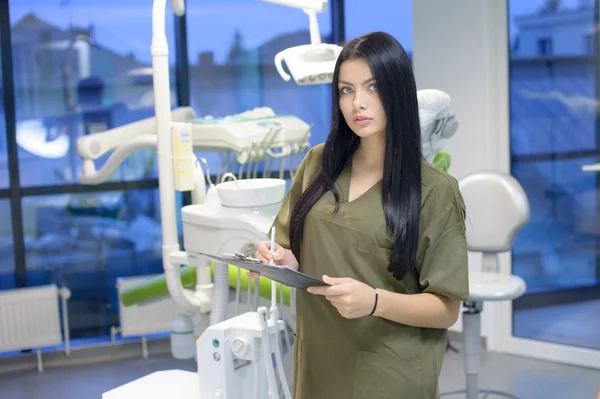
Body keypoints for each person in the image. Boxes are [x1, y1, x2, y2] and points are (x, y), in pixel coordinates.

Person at [254, 31, 469, 399]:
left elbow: (446, 309)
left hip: (388, 373)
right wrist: (286, 259)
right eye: (346, 90)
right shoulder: (319, 164)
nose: (358, 104)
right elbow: (297, 248)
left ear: (398, 91)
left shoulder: (435, 191)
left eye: (373, 87)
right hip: (319, 363)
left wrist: (373, 301)